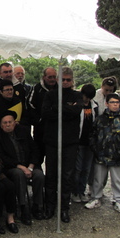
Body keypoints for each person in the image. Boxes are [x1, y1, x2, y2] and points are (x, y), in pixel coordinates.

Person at [42, 67, 82, 223]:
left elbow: (76, 111)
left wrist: (58, 108)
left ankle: (64, 208)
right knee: (51, 175)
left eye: (68, 80)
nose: (65, 82)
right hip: (52, 141)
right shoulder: (50, 95)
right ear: (58, 80)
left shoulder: (77, 95)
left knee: (67, 176)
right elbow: (46, 113)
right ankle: (50, 206)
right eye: (63, 79)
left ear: (72, 81)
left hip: (70, 142)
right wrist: (67, 108)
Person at [0, 111, 45, 223]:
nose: (7, 125)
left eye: (10, 122)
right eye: (5, 123)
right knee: (19, 174)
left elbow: (35, 149)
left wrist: (30, 166)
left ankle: (37, 205)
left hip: (29, 165)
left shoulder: (24, 132)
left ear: (15, 123)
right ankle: (23, 206)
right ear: (1, 125)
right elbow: (2, 158)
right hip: (12, 167)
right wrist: (21, 167)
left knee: (39, 175)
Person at [85, 93, 120, 214]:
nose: (115, 105)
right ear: (107, 104)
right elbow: (92, 135)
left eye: (117, 103)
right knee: (98, 178)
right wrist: (95, 149)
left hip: (116, 155)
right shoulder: (100, 119)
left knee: (117, 179)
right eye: (112, 102)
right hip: (101, 155)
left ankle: (119, 200)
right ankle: (96, 197)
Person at [71, 84, 98, 204]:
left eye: (89, 97)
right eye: (86, 96)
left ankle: (82, 191)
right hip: (79, 141)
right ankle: (75, 191)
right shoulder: (77, 105)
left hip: (90, 143)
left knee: (86, 169)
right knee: (77, 168)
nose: (87, 99)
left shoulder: (95, 106)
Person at [27, 66, 58, 167]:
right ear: (44, 77)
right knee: (38, 154)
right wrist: (38, 120)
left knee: (53, 158)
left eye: (54, 77)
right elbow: (30, 104)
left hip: (55, 129)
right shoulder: (37, 88)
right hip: (40, 129)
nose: (52, 79)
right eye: (50, 77)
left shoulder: (60, 88)